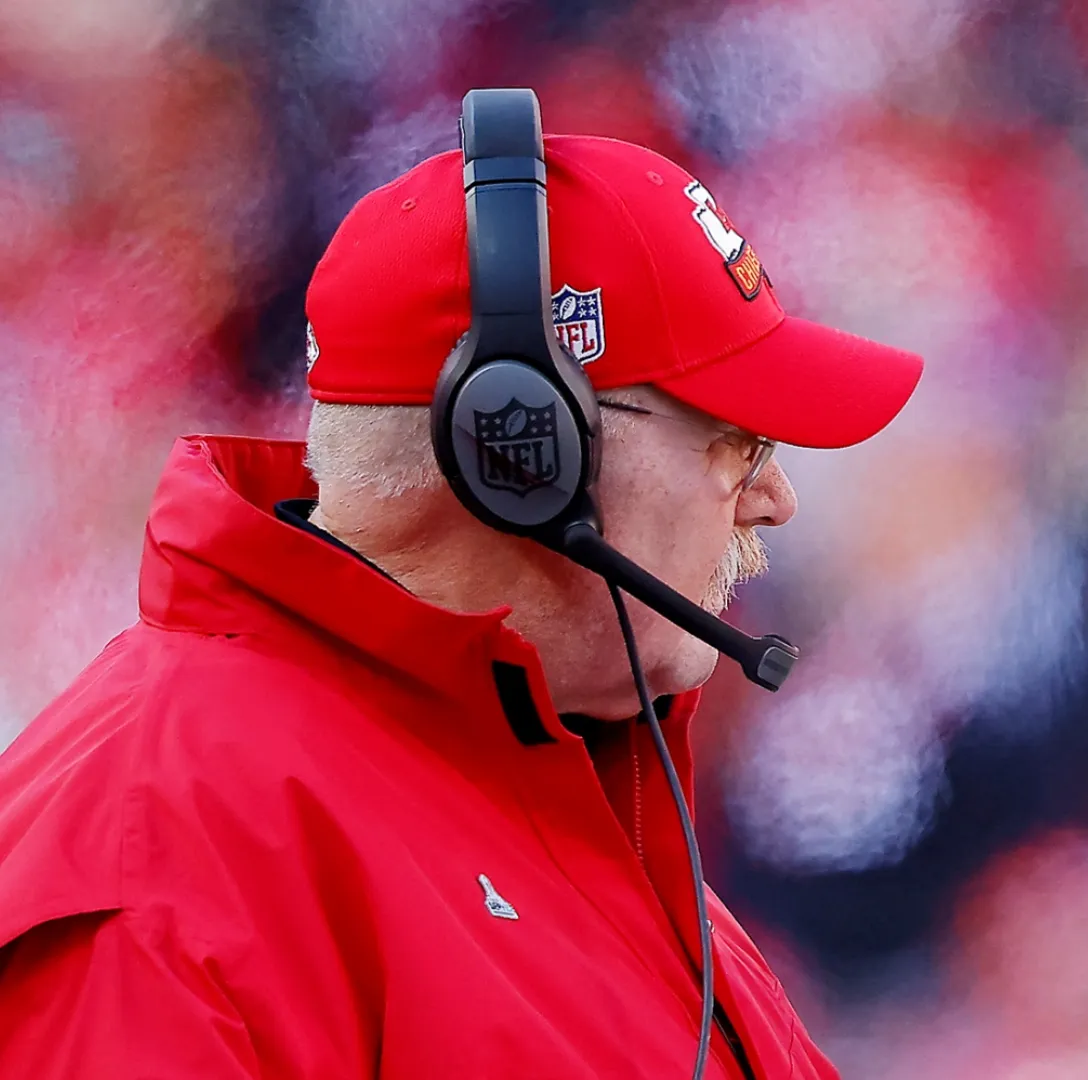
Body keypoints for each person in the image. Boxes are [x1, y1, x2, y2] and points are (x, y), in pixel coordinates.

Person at [0, 130, 922, 1078]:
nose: (776, 499)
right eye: (737, 443)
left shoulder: (569, 782)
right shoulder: (161, 882)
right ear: (524, 457)